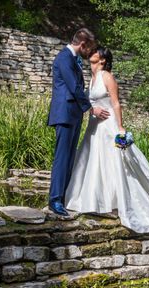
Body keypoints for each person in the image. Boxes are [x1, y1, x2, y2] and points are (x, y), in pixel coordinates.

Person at [65, 47, 149, 233]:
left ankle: (119, 201)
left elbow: (116, 102)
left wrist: (120, 127)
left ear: (102, 60)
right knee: (92, 161)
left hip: (108, 125)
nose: (91, 53)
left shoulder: (106, 76)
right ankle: (94, 200)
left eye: (96, 52)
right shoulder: (91, 79)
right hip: (94, 126)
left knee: (115, 163)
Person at [47, 28, 110, 217]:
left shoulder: (73, 59)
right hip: (64, 114)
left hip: (72, 115)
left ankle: (64, 197)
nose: (90, 53)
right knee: (62, 157)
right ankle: (55, 200)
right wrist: (92, 108)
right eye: (89, 48)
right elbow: (74, 88)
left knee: (69, 158)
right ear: (82, 44)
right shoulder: (65, 58)